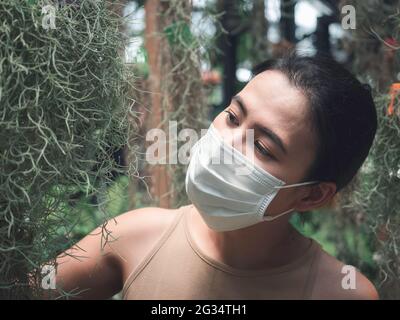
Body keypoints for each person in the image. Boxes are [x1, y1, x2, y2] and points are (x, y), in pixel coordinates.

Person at [54, 52, 379, 300]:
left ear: (312, 194)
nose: (227, 144)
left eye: (263, 147)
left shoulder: (342, 291)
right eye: (233, 116)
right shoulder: (135, 236)